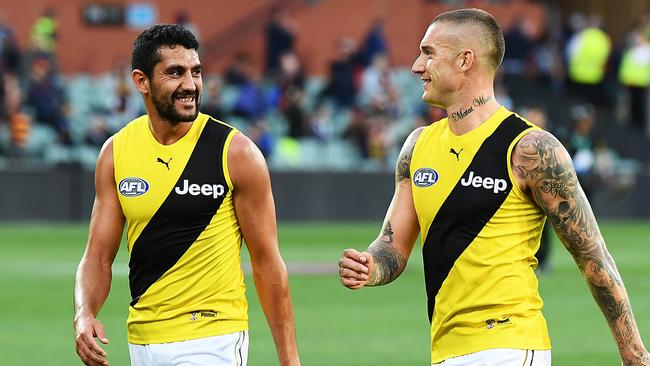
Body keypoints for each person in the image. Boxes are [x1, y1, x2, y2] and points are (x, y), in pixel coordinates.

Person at [338, 8, 649, 366]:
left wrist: (633, 352)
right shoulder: (416, 146)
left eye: (428, 52)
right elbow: (393, 248)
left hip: (510, 346)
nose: (416, 66)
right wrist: (369, 266)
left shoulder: (530, 149)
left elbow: (593, 256)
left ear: (465, 60)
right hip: (446, 350)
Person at [73, 24, 301, 366]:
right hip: (143, 339)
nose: (191, 85)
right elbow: (98, 257)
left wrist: (289, 359)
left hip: (213, 339)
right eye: (175, 73)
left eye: (196, 72)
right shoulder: (116, 153)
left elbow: (268, 262)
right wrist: (84, 312)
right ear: (141, 81)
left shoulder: (235, 152)